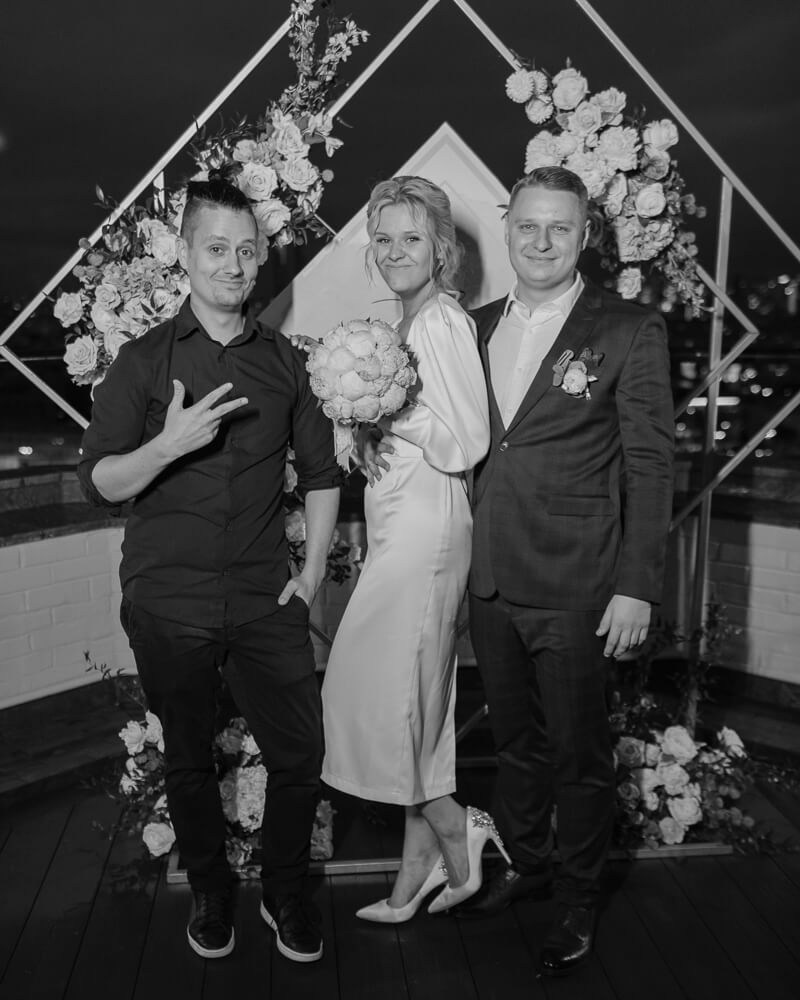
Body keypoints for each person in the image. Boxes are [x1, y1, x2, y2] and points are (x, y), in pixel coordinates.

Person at [77, 179, 342, 964]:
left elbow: (323, 475)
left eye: (246, 249)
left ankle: (285, 891)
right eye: (216, 248)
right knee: (189, 762)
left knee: (300, 759)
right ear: (186, 254)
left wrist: (316, 567)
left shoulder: (290, 364)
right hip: (170, 603)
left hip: (266, 598)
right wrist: (168, 444)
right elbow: (98, 484)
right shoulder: (144, 361)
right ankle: (211, 892)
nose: (233, 263)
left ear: (262, 258)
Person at [455, 166, 675, 975]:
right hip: (491, 580)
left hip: (582, 586)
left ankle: (578, 901)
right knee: (514, 746)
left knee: (580, 754)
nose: (541, 242)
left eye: (560, 228)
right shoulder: (469, 327)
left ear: (585, 236)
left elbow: (651, 466)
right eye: (527, 226)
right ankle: (526, 861)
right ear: (508, 227)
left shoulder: (627, 328)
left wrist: (637, 584)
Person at [320, 175, 501, 922]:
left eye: (413, 238)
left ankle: (459, 826)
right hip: (405, 524)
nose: (397, 251)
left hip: (430, 532)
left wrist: (392, 407)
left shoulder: (442, 325)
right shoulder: (403, 326)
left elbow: (465, 441)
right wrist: (365, 426)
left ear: (442, 250)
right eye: (385, 238)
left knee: (380, 694)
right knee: (414, 701)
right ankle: (417, 865)